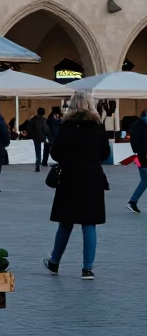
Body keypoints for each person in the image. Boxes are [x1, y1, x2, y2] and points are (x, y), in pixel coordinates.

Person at [43, 91, 110, 279]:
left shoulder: (67, 126)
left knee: (65, 222)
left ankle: (54, 262)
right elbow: (105, 153)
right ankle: (87, 269)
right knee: (89, 223)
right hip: (92, 177)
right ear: (91, 105)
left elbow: (55, 153)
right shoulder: (98, 126)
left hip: (70, 177)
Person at [126, 108, 147, 213]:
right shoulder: (142, 126)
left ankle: (133, 201)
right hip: (143, 157)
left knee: (144, 180)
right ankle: (132, 201)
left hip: (138, 157)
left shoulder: (136, 124)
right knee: (145, 179)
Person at [25, 107, 50, 172]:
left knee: (37, 150)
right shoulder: (43, 120)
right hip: (42, 137)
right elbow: (46, 129)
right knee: (44, 149)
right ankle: (40, 161)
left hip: (35, 137)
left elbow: (29, 128)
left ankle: (38, 161)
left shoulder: (32, 119)